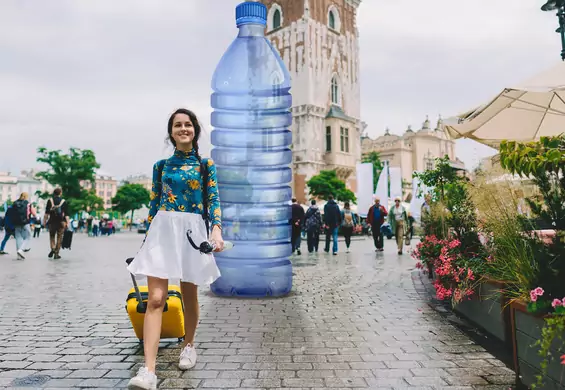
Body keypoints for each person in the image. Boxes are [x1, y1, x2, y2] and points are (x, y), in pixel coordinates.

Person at [126, 108, 224, 390]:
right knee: (155, 298)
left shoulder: (206, 165)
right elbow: (154, 204)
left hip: (192, 230)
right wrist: (147, 241)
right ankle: (148, 371)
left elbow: (213, 199)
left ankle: (189, 344)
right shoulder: (161, 166)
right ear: (171, 132)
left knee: (189, 291)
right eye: (178, 125)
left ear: (195, 130)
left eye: (188, 124)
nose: (183, 128)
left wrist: (216, 228)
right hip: (163, 229)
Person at [44, 188, 69, 259]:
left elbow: (46, 213)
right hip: (61, 222)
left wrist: (44, 222)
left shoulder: (50, 200)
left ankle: (53, 248)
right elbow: (66, 214)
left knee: (52, 236)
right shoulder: (63, 201)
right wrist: (67, 223)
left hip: (52, 221)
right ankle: (56, 253)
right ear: (60, 193)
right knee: (59, 237)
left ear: (54, 193)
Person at [11, 192, 36, 259]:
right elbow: (34, 213)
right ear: (26, 196)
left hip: (16, 223)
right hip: (25, 222)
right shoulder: (28, 203)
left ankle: (19, 256)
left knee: (18, 237)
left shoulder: (15, 203)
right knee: (28, 237)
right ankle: (21, 250)